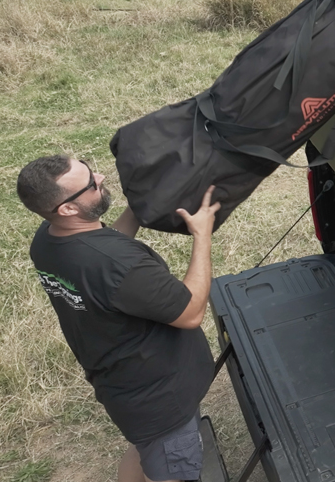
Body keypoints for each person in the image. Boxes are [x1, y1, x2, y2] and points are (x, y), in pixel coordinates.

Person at [17, 154, 221, 482]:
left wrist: (138, 208)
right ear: (68, 209)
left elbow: (103, 248)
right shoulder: (120, 267)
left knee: (144, 450)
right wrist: (203, 235)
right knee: (173, 470)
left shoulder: (48, 239)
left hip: (124, 388)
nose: (100, 177)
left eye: (90, 168)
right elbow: (191, 312)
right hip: (160, 397)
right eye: (90, 184)